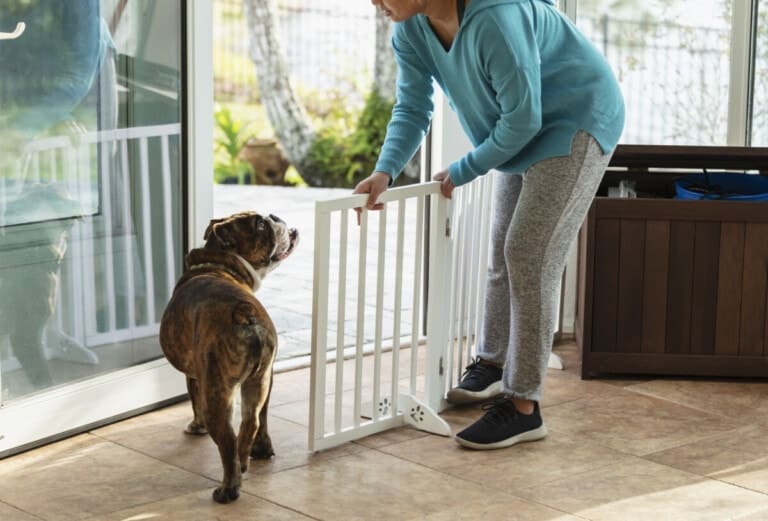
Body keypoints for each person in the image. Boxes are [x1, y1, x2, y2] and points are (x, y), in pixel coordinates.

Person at [353, 0, 624, 450]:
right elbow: (413, 107)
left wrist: (464, 168)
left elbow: (525, 117)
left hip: (575, 120)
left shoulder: (496, 16)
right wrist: (385, 170)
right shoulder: (411, 30)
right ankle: (493, 366)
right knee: (504, 251)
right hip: (517, 128)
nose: (375, 3)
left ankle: (523, 407)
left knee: (529, 255)